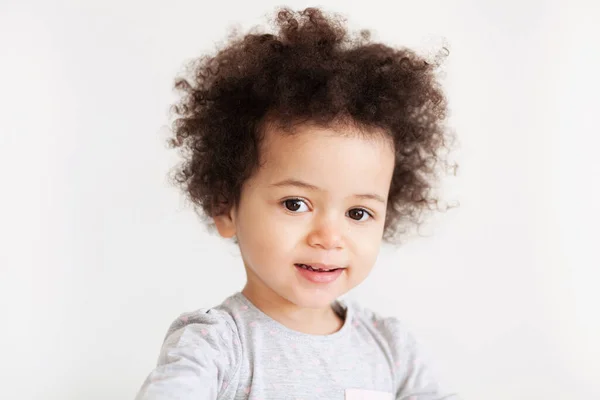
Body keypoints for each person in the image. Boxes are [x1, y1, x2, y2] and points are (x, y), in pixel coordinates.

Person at [135, 6, 459, 400]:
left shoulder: (392, 352)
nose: (329, 237)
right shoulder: (218, 347)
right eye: (295, 204)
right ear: (225, 207)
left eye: (358, 213)